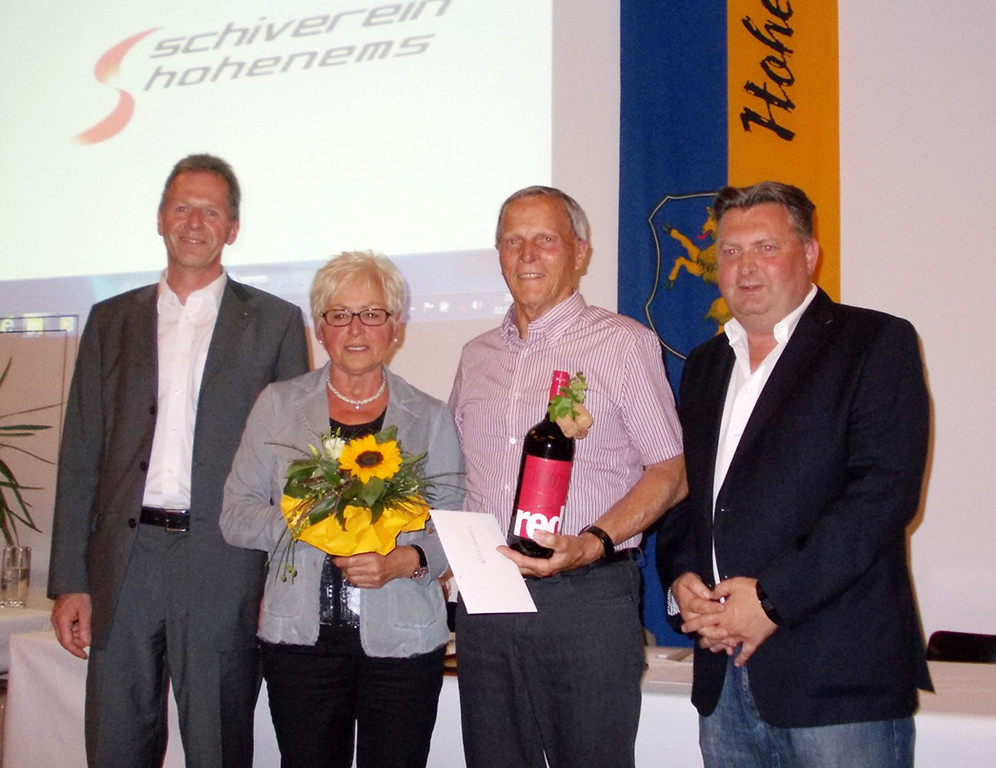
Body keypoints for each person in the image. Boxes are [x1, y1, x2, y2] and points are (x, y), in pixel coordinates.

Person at [47, 154, 310, 767]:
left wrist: (279, 580)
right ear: (160, 218)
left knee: (218, 746)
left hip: (224, 564)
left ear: (233, 228)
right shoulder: (110, 321)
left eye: (211, 212)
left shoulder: (275, 323)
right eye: (182, 207)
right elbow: (81, 454)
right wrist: (71, 582)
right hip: (125, 565)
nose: (194, 222)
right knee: (115, 745)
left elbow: (293, 466)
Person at [664, 181, 932, 767]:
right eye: (730, 252)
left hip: (837, 678)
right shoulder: (706, 364)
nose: (746, 267)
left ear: (809, 254)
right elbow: (691, 498)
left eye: (766, 247)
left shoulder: (874, 342)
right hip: (723, 677)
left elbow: (882, 497)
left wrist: (769, 600)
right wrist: (683, 582)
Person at [448, 186, 687, 768]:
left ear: (580, 252)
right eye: (513, 240)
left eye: (545, 239)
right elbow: (457, 473)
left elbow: (672, 471)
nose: (527, 254)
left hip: (586, 601)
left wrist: (592, 542)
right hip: (486, 603)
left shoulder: (624, 344)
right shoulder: (476, 355)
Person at [221, 251, 464, 768]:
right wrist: (312, 523)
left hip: (403, 645)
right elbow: (235, 516)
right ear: (320, 326)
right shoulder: (277, 406)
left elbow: (453, 526)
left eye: (372, 313)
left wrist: (404, 561)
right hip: (299, 646)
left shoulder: (430, 417)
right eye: (339, 314)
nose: (356, 328)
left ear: (395, 326)